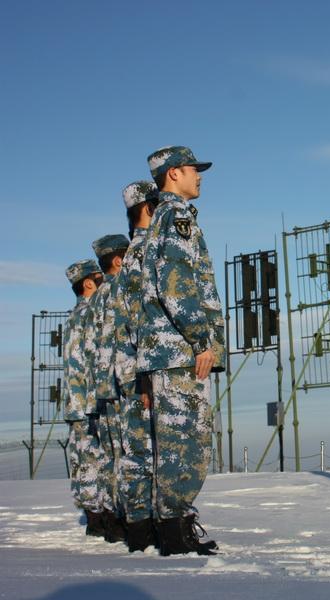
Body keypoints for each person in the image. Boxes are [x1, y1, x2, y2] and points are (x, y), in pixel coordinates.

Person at [139, 146, 224, 555]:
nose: (200, 176)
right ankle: (175, 531)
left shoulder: (167, 218)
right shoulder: (176, 217)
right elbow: (176, 285)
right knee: (184, 443)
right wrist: (202, 340)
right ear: (174, 173)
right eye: (194, 169)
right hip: (179, 352)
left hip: (169, 350)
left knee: (178, 441)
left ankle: (173, 527)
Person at [101, 181, 159, 552]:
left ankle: (139, 523)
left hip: (130, 369)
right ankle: (140, 527)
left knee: (137, 450)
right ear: (147, 209)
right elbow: (140, 321)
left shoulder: (134, 258)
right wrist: (145, 376)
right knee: (140, 450)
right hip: (136, 370)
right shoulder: (139, 256)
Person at [63, 258, 111, 537]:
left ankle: (95, 519)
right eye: (99, 278)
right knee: (96, 462)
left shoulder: (74, 316)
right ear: (89, 283)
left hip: (77, 404)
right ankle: (101, 520)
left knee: (84, 463)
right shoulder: (91, 315)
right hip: (90, 404)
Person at [90, 233, 131, 543]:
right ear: (119, 260)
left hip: (104, 384)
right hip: (122, 381)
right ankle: (125, 518)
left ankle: (108, 517)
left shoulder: (97, 297)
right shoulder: (120, 289)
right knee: (128, 453)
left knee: (110, 455)